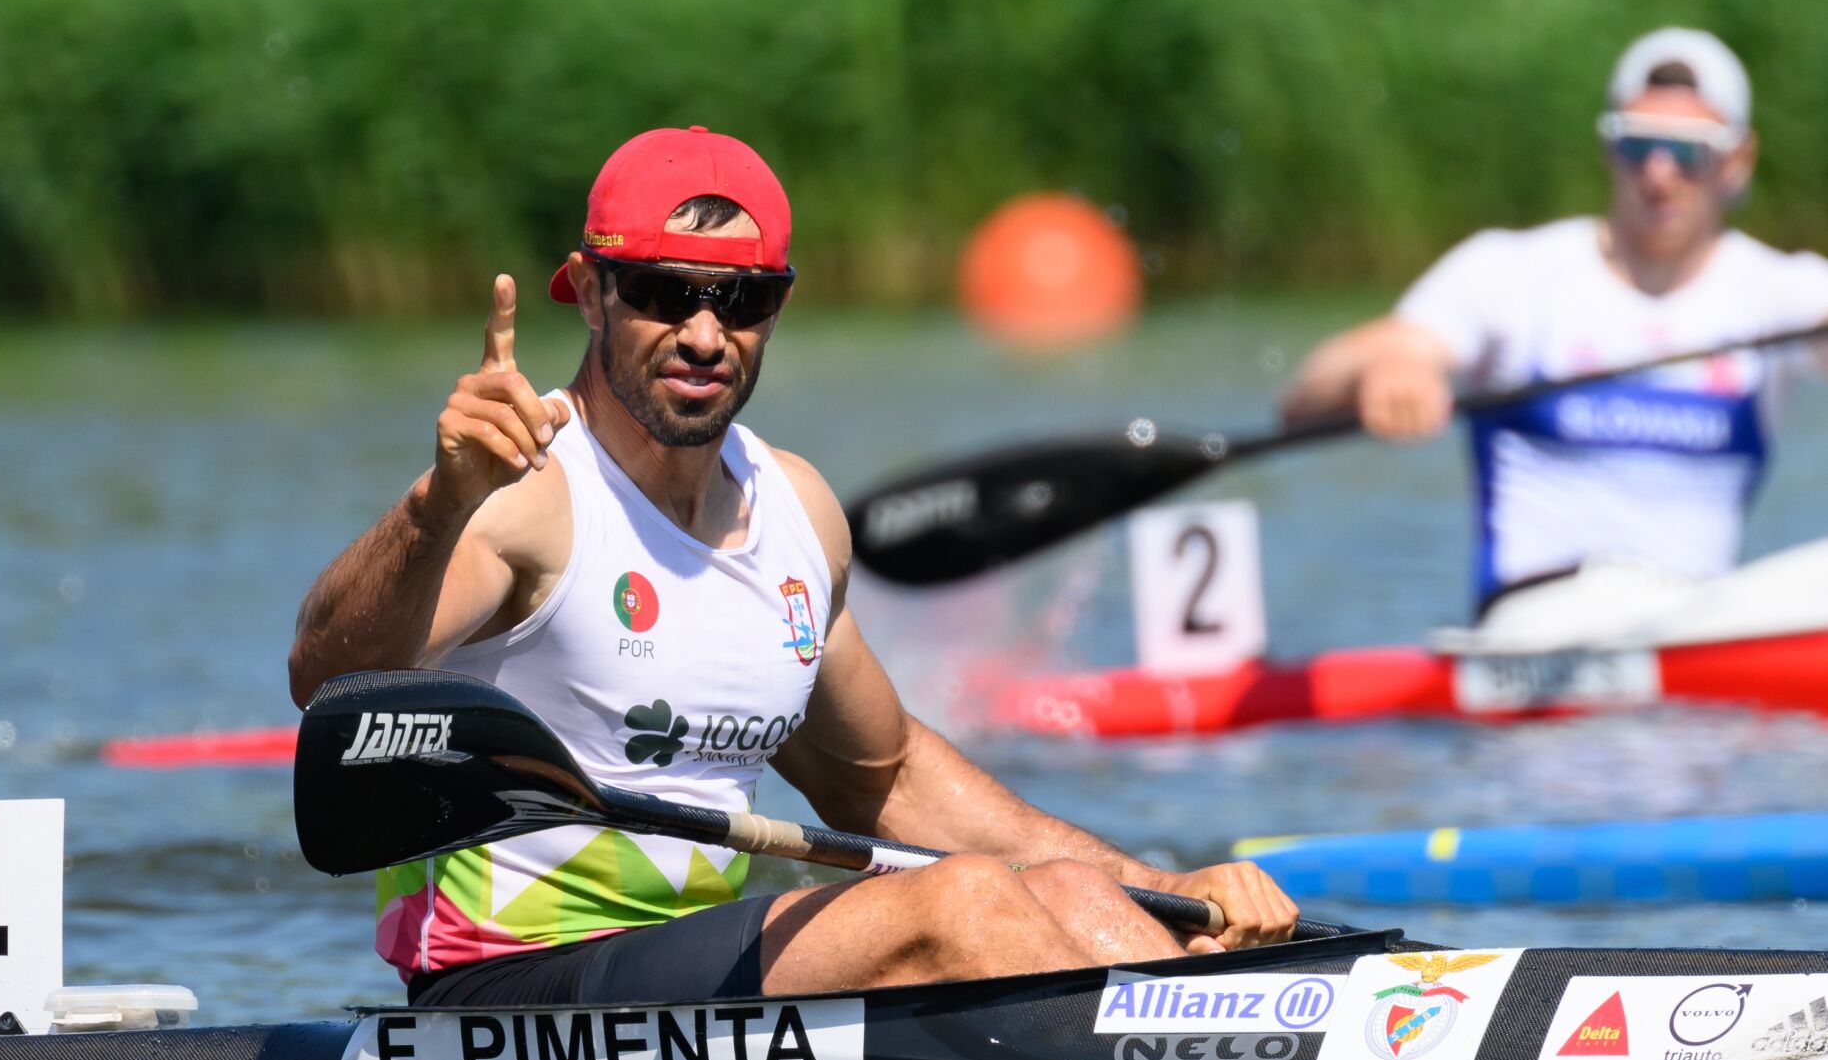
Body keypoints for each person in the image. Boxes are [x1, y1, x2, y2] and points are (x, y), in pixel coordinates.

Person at [289, 125, 1297, 1008]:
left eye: (741, 299)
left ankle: (1209, 1058)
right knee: (965, 898)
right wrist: (439, 502)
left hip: (687, 984)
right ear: (590, 294)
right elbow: (326, 677)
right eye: (662, 292)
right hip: (511, 984)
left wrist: (1167, 891)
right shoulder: (528, 494)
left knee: (1069, 893)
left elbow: (886, 777)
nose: (702, 333)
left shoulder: (797, 512)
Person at [1279, 28, 1828, 620]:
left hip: (1700, 641)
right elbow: (1306, 394)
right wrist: (1396, 370)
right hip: (1533, 636)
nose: (1659, 174)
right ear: (1607, 150)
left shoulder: (1780, 290)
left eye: (1689, 151)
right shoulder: (1515, 272)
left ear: (1737, 160)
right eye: (1638, 147)